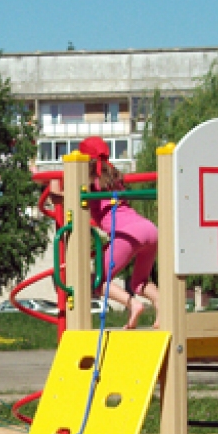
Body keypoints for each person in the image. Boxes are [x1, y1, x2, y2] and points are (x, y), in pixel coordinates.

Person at [49, 136, 160, 328]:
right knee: (139, 283)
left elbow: (59, 198)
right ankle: (162, 307)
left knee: (94, 281)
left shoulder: (89, 182)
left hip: (127, 234)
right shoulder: (113, 176)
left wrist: (52, 180)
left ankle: (133, 304)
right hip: (149, 230)